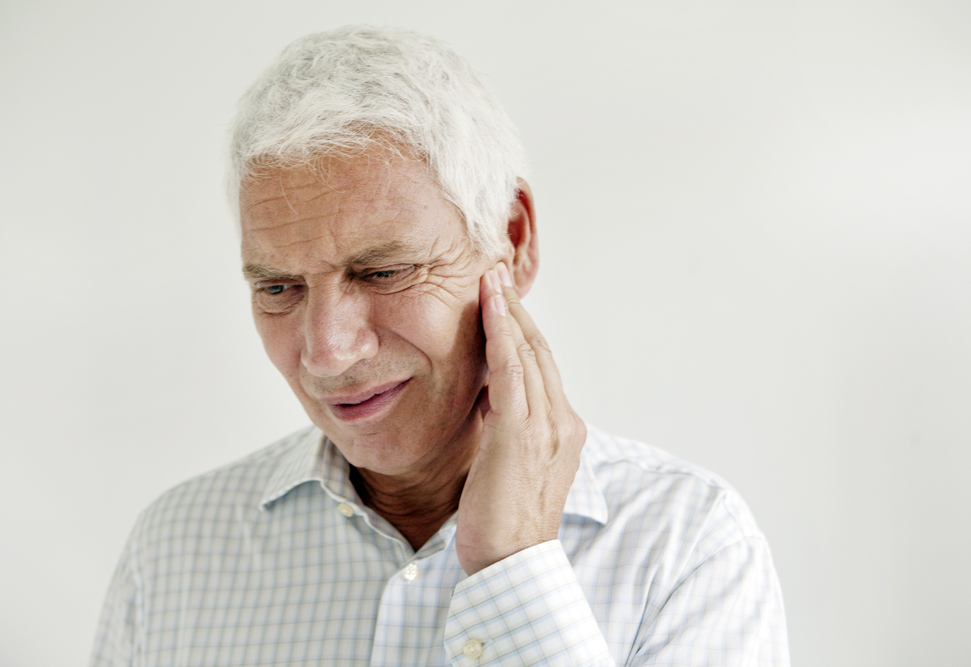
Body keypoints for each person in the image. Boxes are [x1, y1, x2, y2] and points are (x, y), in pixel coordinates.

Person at [91, 25, 789, 666]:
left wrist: (516, 569)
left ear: (511, 241)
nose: (328, 351)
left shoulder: (688, 547)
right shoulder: (171, 550)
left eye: (384, 271)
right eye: (278, 287)